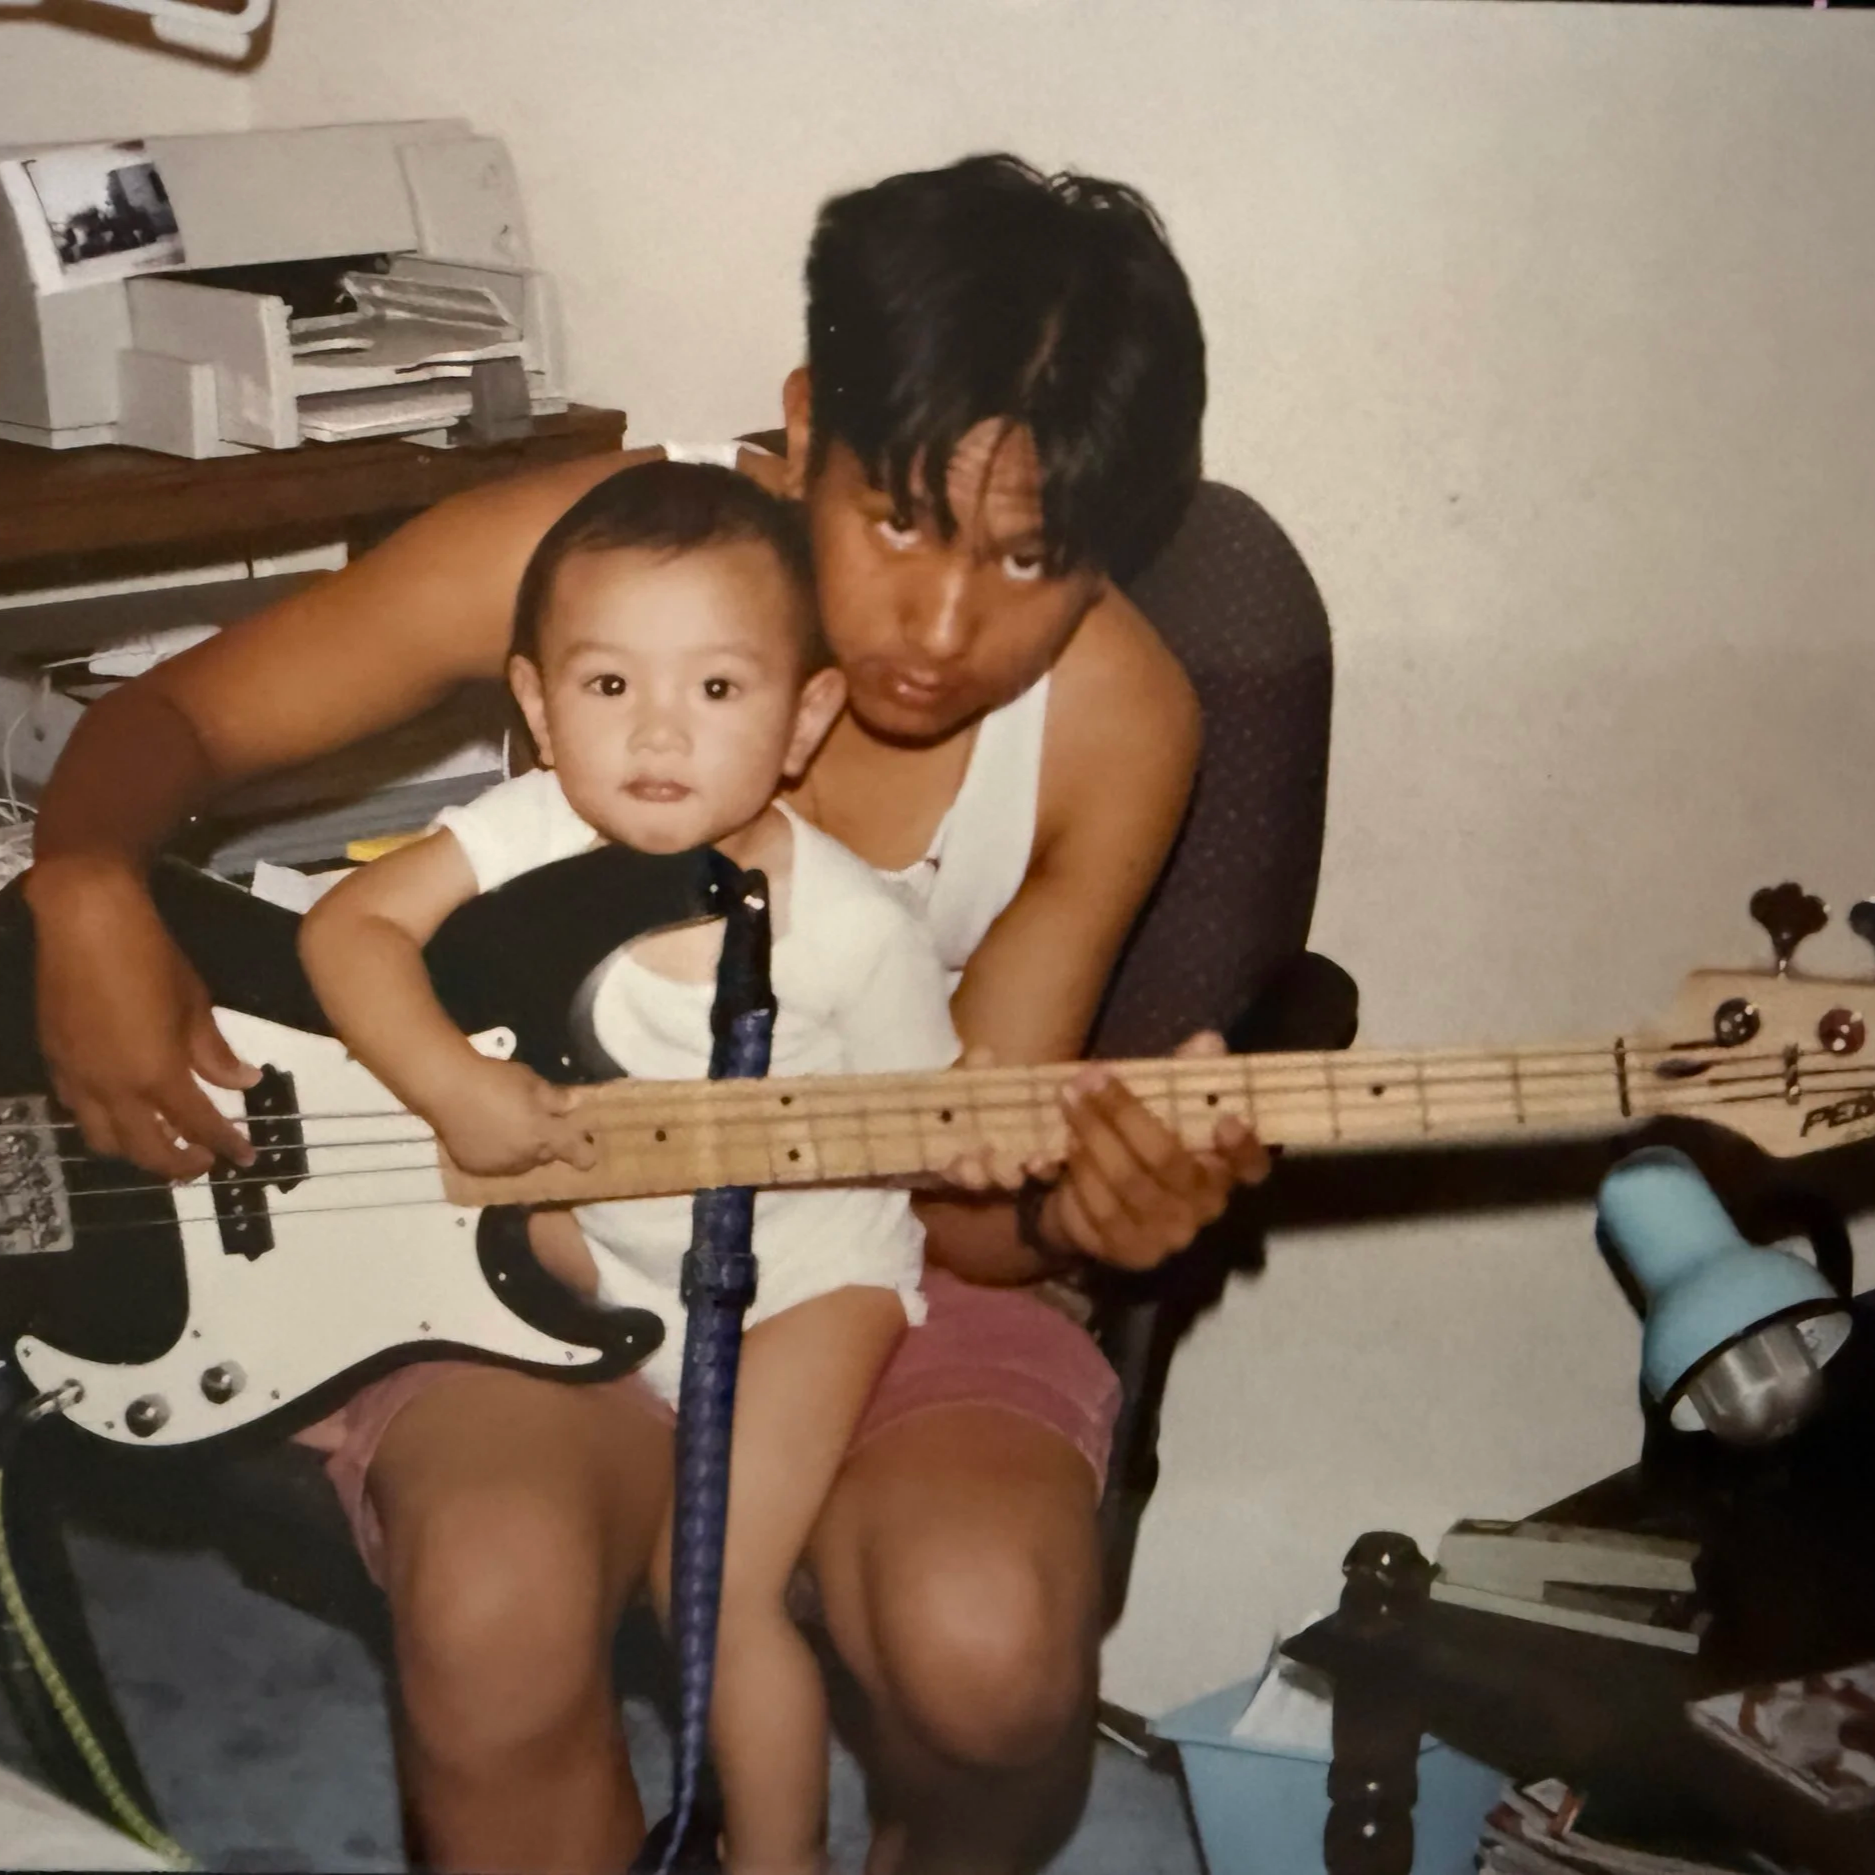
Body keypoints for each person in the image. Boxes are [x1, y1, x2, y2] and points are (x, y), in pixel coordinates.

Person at [27, 154, 1271, 1875]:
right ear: (804, 417)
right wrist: (86, 878)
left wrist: (1093, 1199)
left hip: (854, 1254)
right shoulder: (589, 549)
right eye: (900, 516)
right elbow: (183, 717)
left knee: (989, 1651)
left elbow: (966, 1204)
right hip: (523, 1229)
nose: (940, 622)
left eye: (1030, 559)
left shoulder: (1117, 717)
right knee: (493, 1605)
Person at [299, 458, 961, 1875]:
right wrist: (452, 1083)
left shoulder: (853, 931)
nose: (658, 730)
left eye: (718, 691)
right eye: (607, 689)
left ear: (805, 718)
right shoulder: (526, 831)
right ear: (536, 708)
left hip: (803, 1286)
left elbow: (928, 1128)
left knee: (704, 1587)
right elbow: (346, 932)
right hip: (592, 1277)